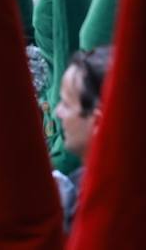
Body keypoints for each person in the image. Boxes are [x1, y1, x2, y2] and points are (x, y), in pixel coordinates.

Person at [52, 46, 111, 230]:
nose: (58, 112)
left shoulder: (110, 213)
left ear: (98, 121)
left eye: (67, 105)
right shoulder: (76, 187)